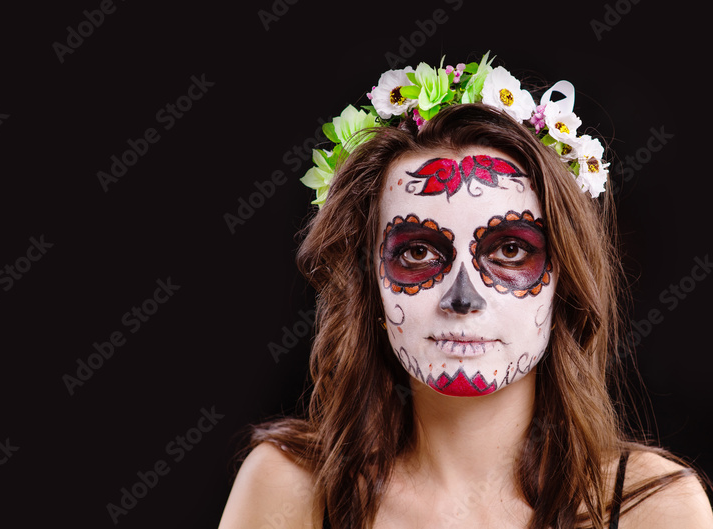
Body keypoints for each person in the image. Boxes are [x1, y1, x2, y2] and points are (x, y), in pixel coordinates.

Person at [218, 53, 713, 528]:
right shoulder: (289, 487)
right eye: (417, 253)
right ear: (369, 283)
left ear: (565, 279)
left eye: (512, 252)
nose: (463, 298)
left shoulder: (651, 507)